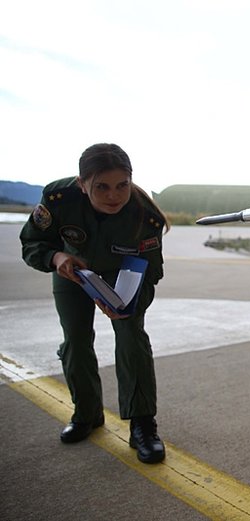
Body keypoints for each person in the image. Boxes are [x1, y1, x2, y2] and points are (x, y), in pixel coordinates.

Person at [19, 143, 170, 464]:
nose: (113, 196)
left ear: (131, 181)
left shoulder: (146, 216)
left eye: (122, 186)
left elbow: (152, 270)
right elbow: (32, 243)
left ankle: (142, 425)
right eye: (101, 187)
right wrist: (55, 256)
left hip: (122, 276)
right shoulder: (58, 200)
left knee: (131, 337)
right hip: (73, 270)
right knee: (75, 339)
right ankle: (86, 413)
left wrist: (128, 304)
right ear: (82, 183)